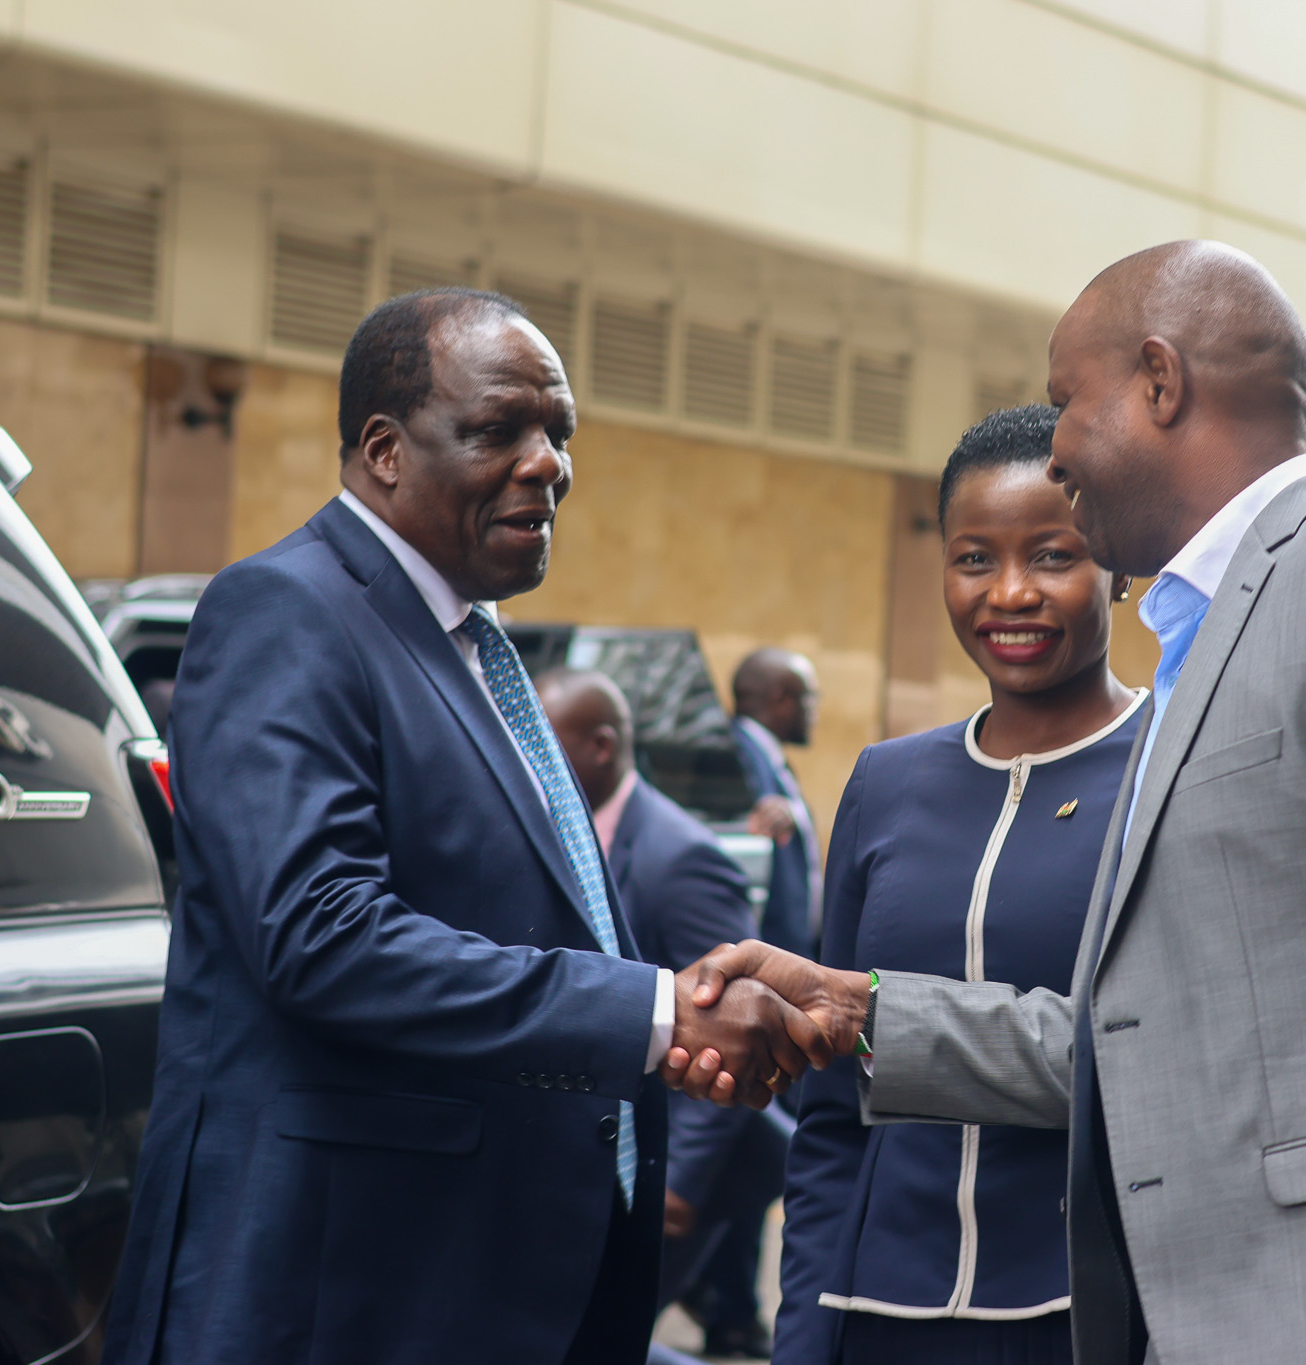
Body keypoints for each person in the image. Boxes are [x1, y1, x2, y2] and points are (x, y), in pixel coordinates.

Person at [674, 241, 1306, 1365]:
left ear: (1159, 383)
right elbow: (1137, 1044)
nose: (1058, 444)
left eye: (1068, 400)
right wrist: (856, 1006)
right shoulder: (1198, 643)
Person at [100, 288, 828, 1365]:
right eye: (499, 430)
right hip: (350, 1297)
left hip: (504, 1281)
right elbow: (322, 935)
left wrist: (674, 1019)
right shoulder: (286, 612)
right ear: (384, 451)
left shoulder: (472, 644)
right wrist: (653, 1012)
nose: (548, 464)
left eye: (559, 432)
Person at [775, 404, 1145, 1365]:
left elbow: (1153, 1059)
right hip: (879, 1309)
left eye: (1053, 556)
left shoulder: (1173, 769)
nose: (1010, 592)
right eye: (974, 558)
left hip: (1085, 1315)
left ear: (1116, 562)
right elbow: (830, 1109)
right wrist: (807, 1329)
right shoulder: (886, 782)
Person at [537, 666, 788, 1361]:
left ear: (600, 745)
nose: (524, 754)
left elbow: (730, 1020)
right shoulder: (566, 830)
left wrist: (681, 1180)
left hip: (669, 1167)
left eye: (542, 739)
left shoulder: (681, 857)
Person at [731, 647, 823, 958]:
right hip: (767, 950)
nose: (815, 711)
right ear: (781, 699)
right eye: (810, 697)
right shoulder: (738, 755)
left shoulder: (766, 756)